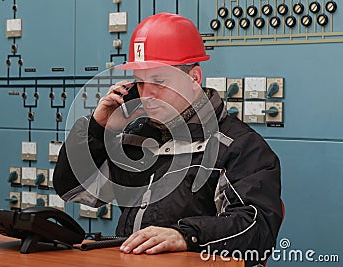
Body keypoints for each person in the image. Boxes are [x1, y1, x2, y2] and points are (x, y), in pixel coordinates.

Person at [53, 12, 283, 266]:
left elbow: (256, 228)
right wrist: (98, 128)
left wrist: (185, 236)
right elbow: (73, 189)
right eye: (140, 83)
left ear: (194, 78)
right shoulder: (138, 139)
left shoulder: (240, 147)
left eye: (159, 81)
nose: (147, 94)